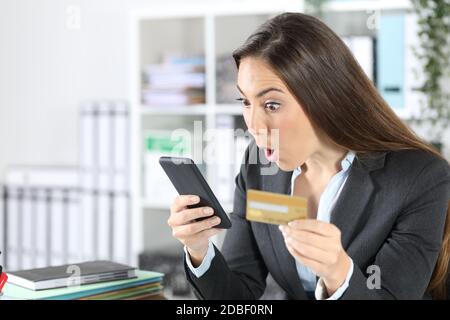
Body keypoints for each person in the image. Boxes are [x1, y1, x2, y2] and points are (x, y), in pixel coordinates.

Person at [167, 12, 450, 300]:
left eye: (272, 105)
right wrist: (199, 249)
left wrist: (338, 273)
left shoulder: (421, 177)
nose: (253, 126)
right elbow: (238, 295)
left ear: (325, 98)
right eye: (246, 102)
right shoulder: (259, 167)